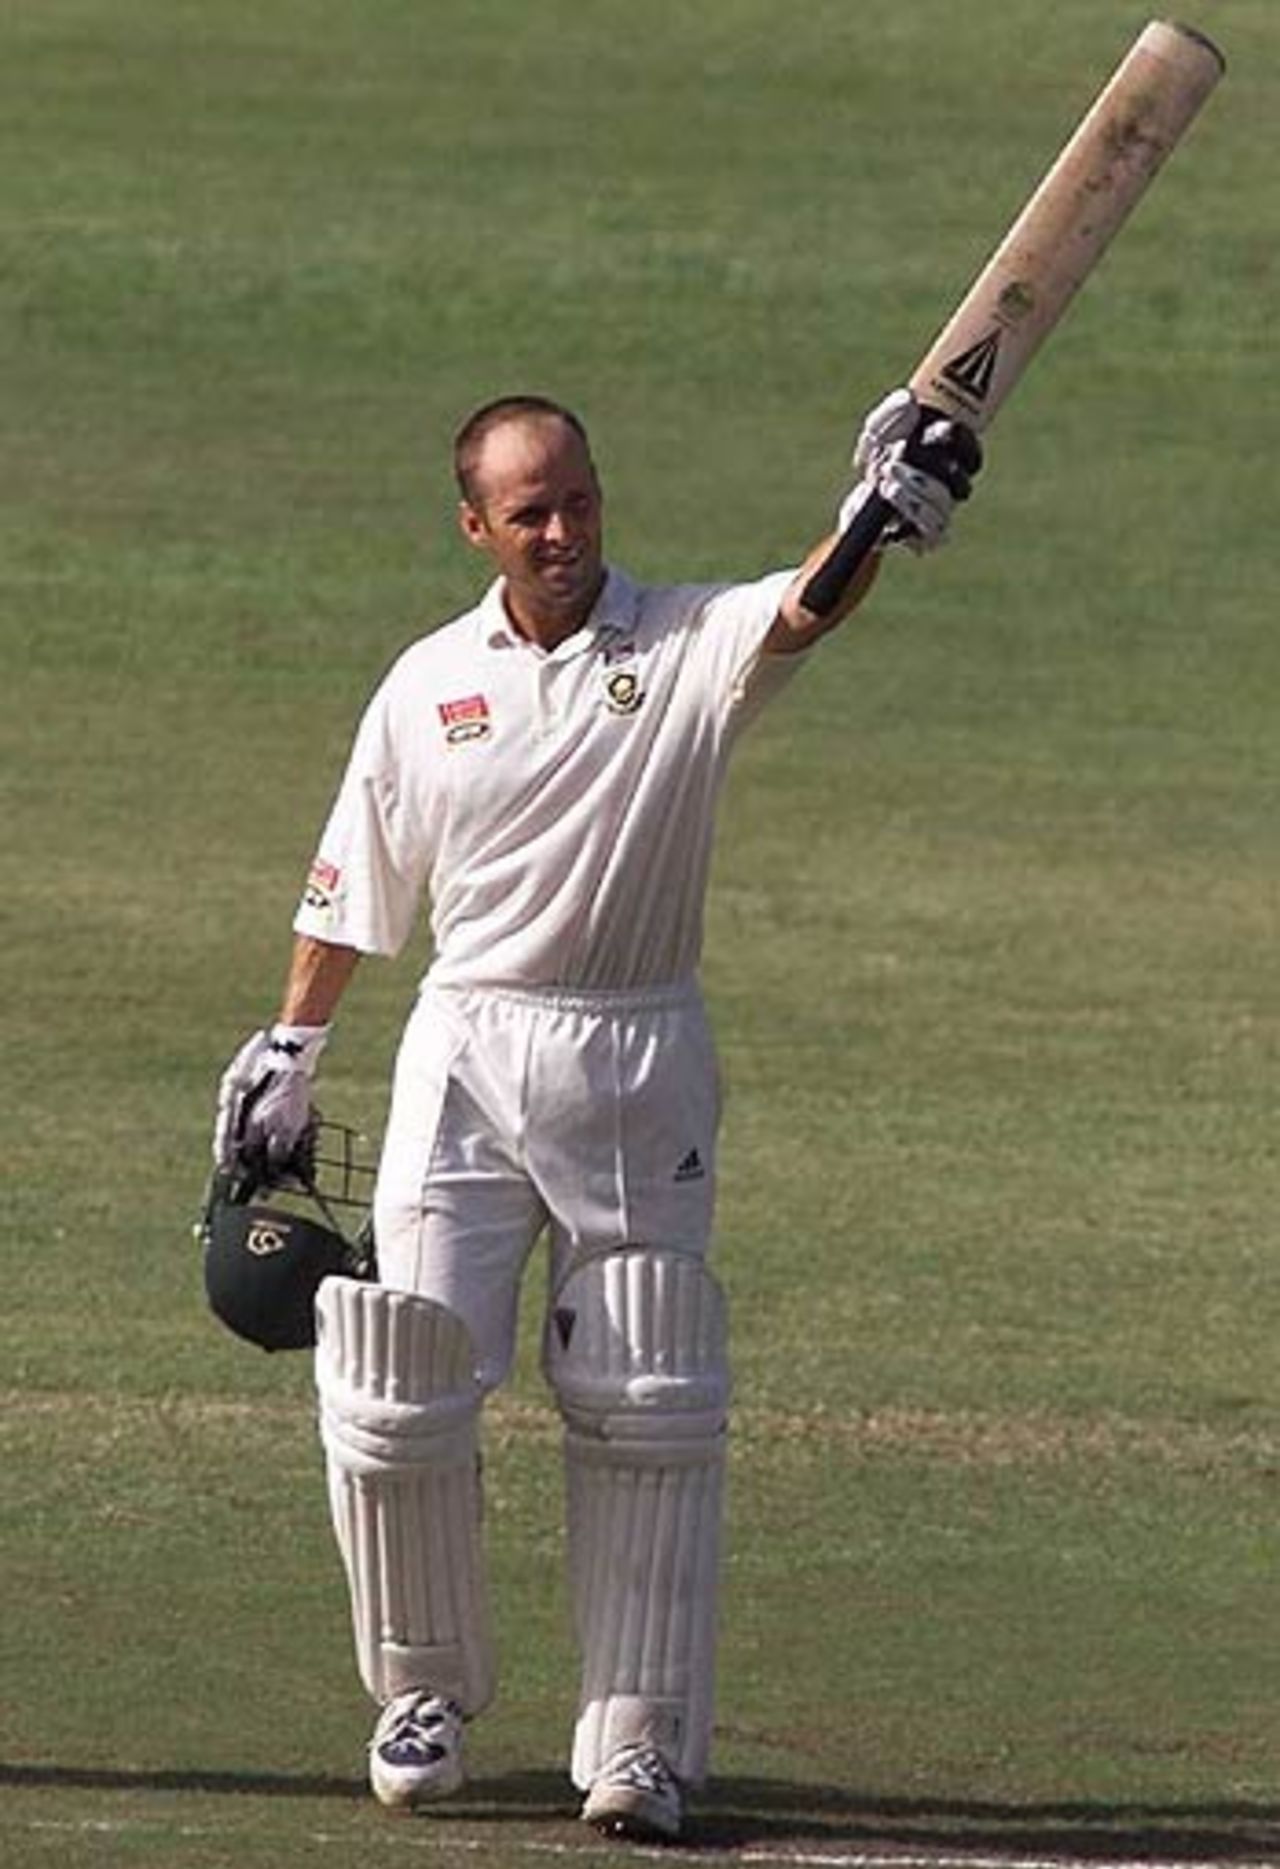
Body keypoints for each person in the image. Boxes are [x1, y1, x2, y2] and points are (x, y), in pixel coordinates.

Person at [211, 387, 979, 1841]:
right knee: (399, 1381)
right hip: (470, 1048)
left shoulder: (681, 645)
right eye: (529, 513)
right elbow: (353, 880)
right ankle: (421, 1690)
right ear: (475, 526)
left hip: (637, 1053)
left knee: (648, 1392)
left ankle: (637, 1741)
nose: (561, 532)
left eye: (578, 500)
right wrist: (293, 1043)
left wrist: (878, 515)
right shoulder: (428, 682)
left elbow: (802, 609)